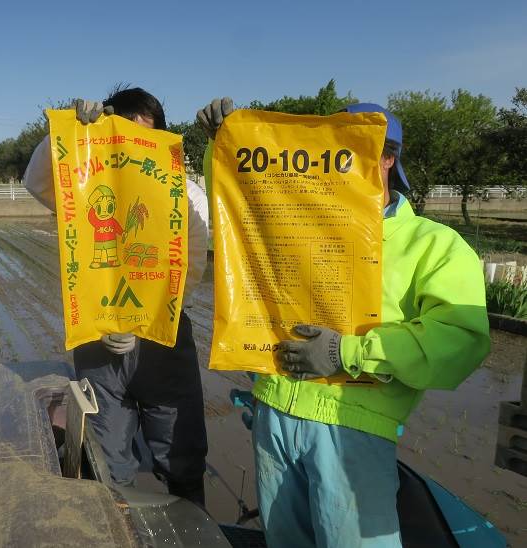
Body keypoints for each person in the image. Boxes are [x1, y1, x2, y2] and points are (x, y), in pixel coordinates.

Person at [198, 100, 490, 546]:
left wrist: (346, 353)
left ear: (388, 159)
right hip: (274, 416)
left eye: (355, 150)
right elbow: (240, 203)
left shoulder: (433, 246)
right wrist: (227, 145)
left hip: (352, 429)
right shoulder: (296, 223)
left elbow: (460, 342)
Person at [24, 87, 210, 505]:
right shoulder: (85, 180)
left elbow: (191, 265)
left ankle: (193, 523)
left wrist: (139, 319)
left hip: (162, 338)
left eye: (144, 134)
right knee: (107, 460)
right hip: (99, 341)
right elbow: (37, 180)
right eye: (121, 131)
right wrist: (70, 130)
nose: (132, 143)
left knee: (180, 453)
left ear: (160, 138)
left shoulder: (183, 192)